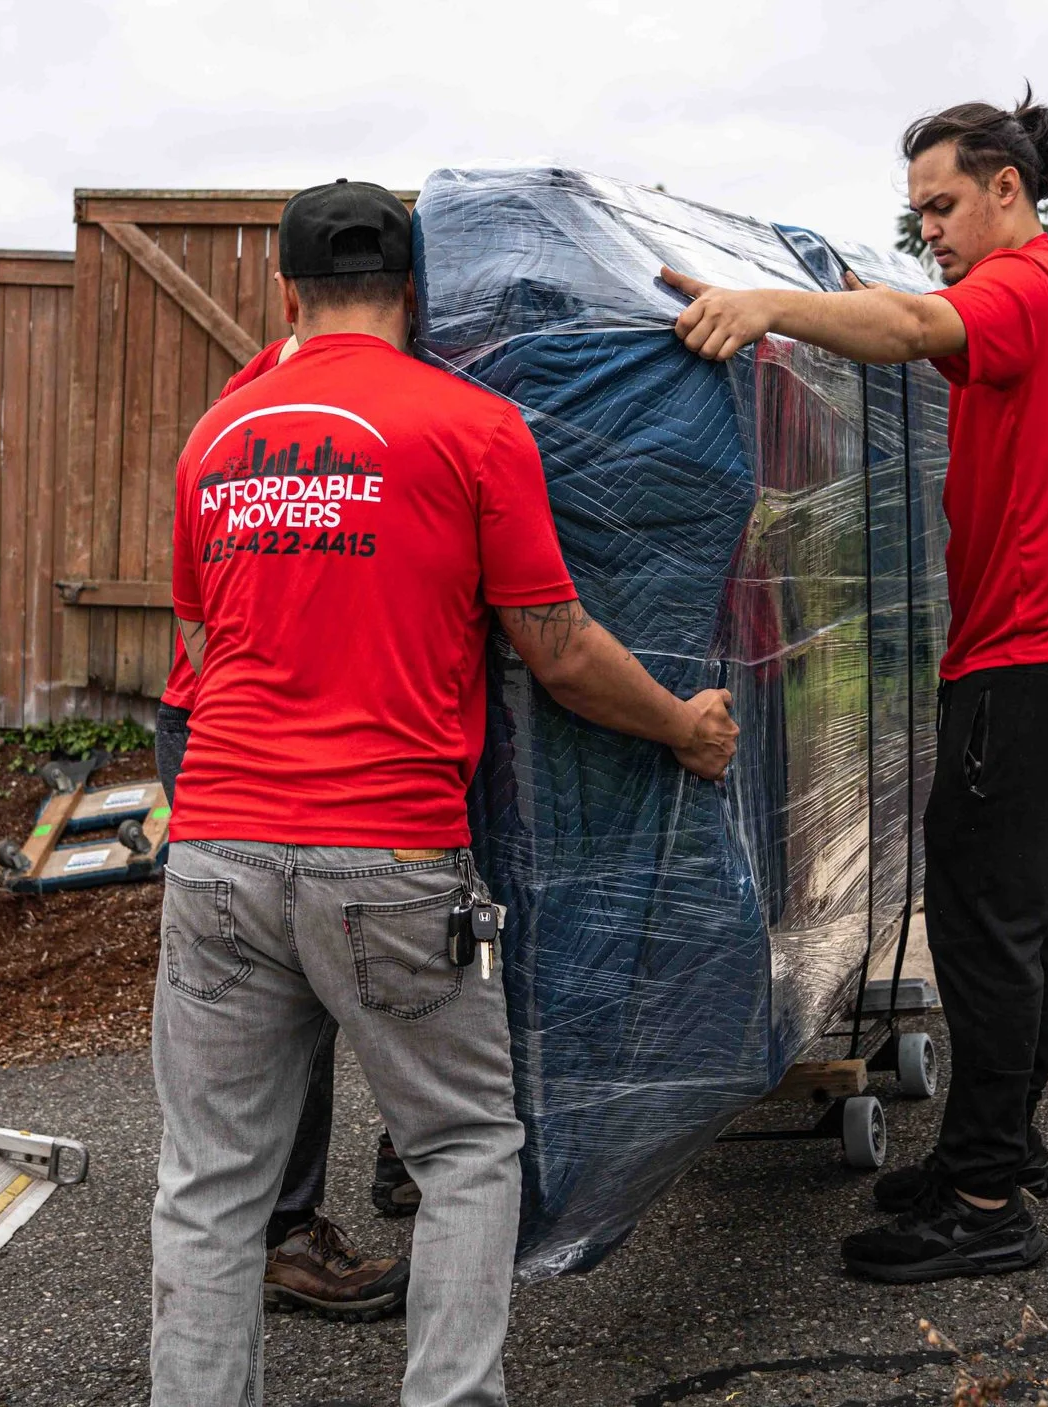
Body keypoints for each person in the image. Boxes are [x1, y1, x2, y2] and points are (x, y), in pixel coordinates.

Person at [150, 178, 740, 1406]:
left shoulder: (214, 436)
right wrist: (684, 725)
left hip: (215, 852)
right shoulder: (471, 425)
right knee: (467, 1149)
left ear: (284, 289)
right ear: (416, 288)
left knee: (212, 1183)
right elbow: (558, 644)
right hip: (389, 857)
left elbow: (204, 656)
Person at [660, 91, 1048, 1284]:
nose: (927, 225)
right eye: (915, 207)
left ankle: (983, 1204)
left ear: (1005, 191)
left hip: (1030, 662)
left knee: (984, 926)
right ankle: (1000, 1148)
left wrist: (770, 306)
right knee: (1009, 917)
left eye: (942, 203)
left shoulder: (1022, 287)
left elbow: (915, 322)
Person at [155, 331, 421, 1325]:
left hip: (277, 714)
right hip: (263, 727)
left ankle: (399, 1155)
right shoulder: (282, 391)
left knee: (385, 951)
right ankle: (280, 1234)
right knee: (288, 978)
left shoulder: (276, 384)